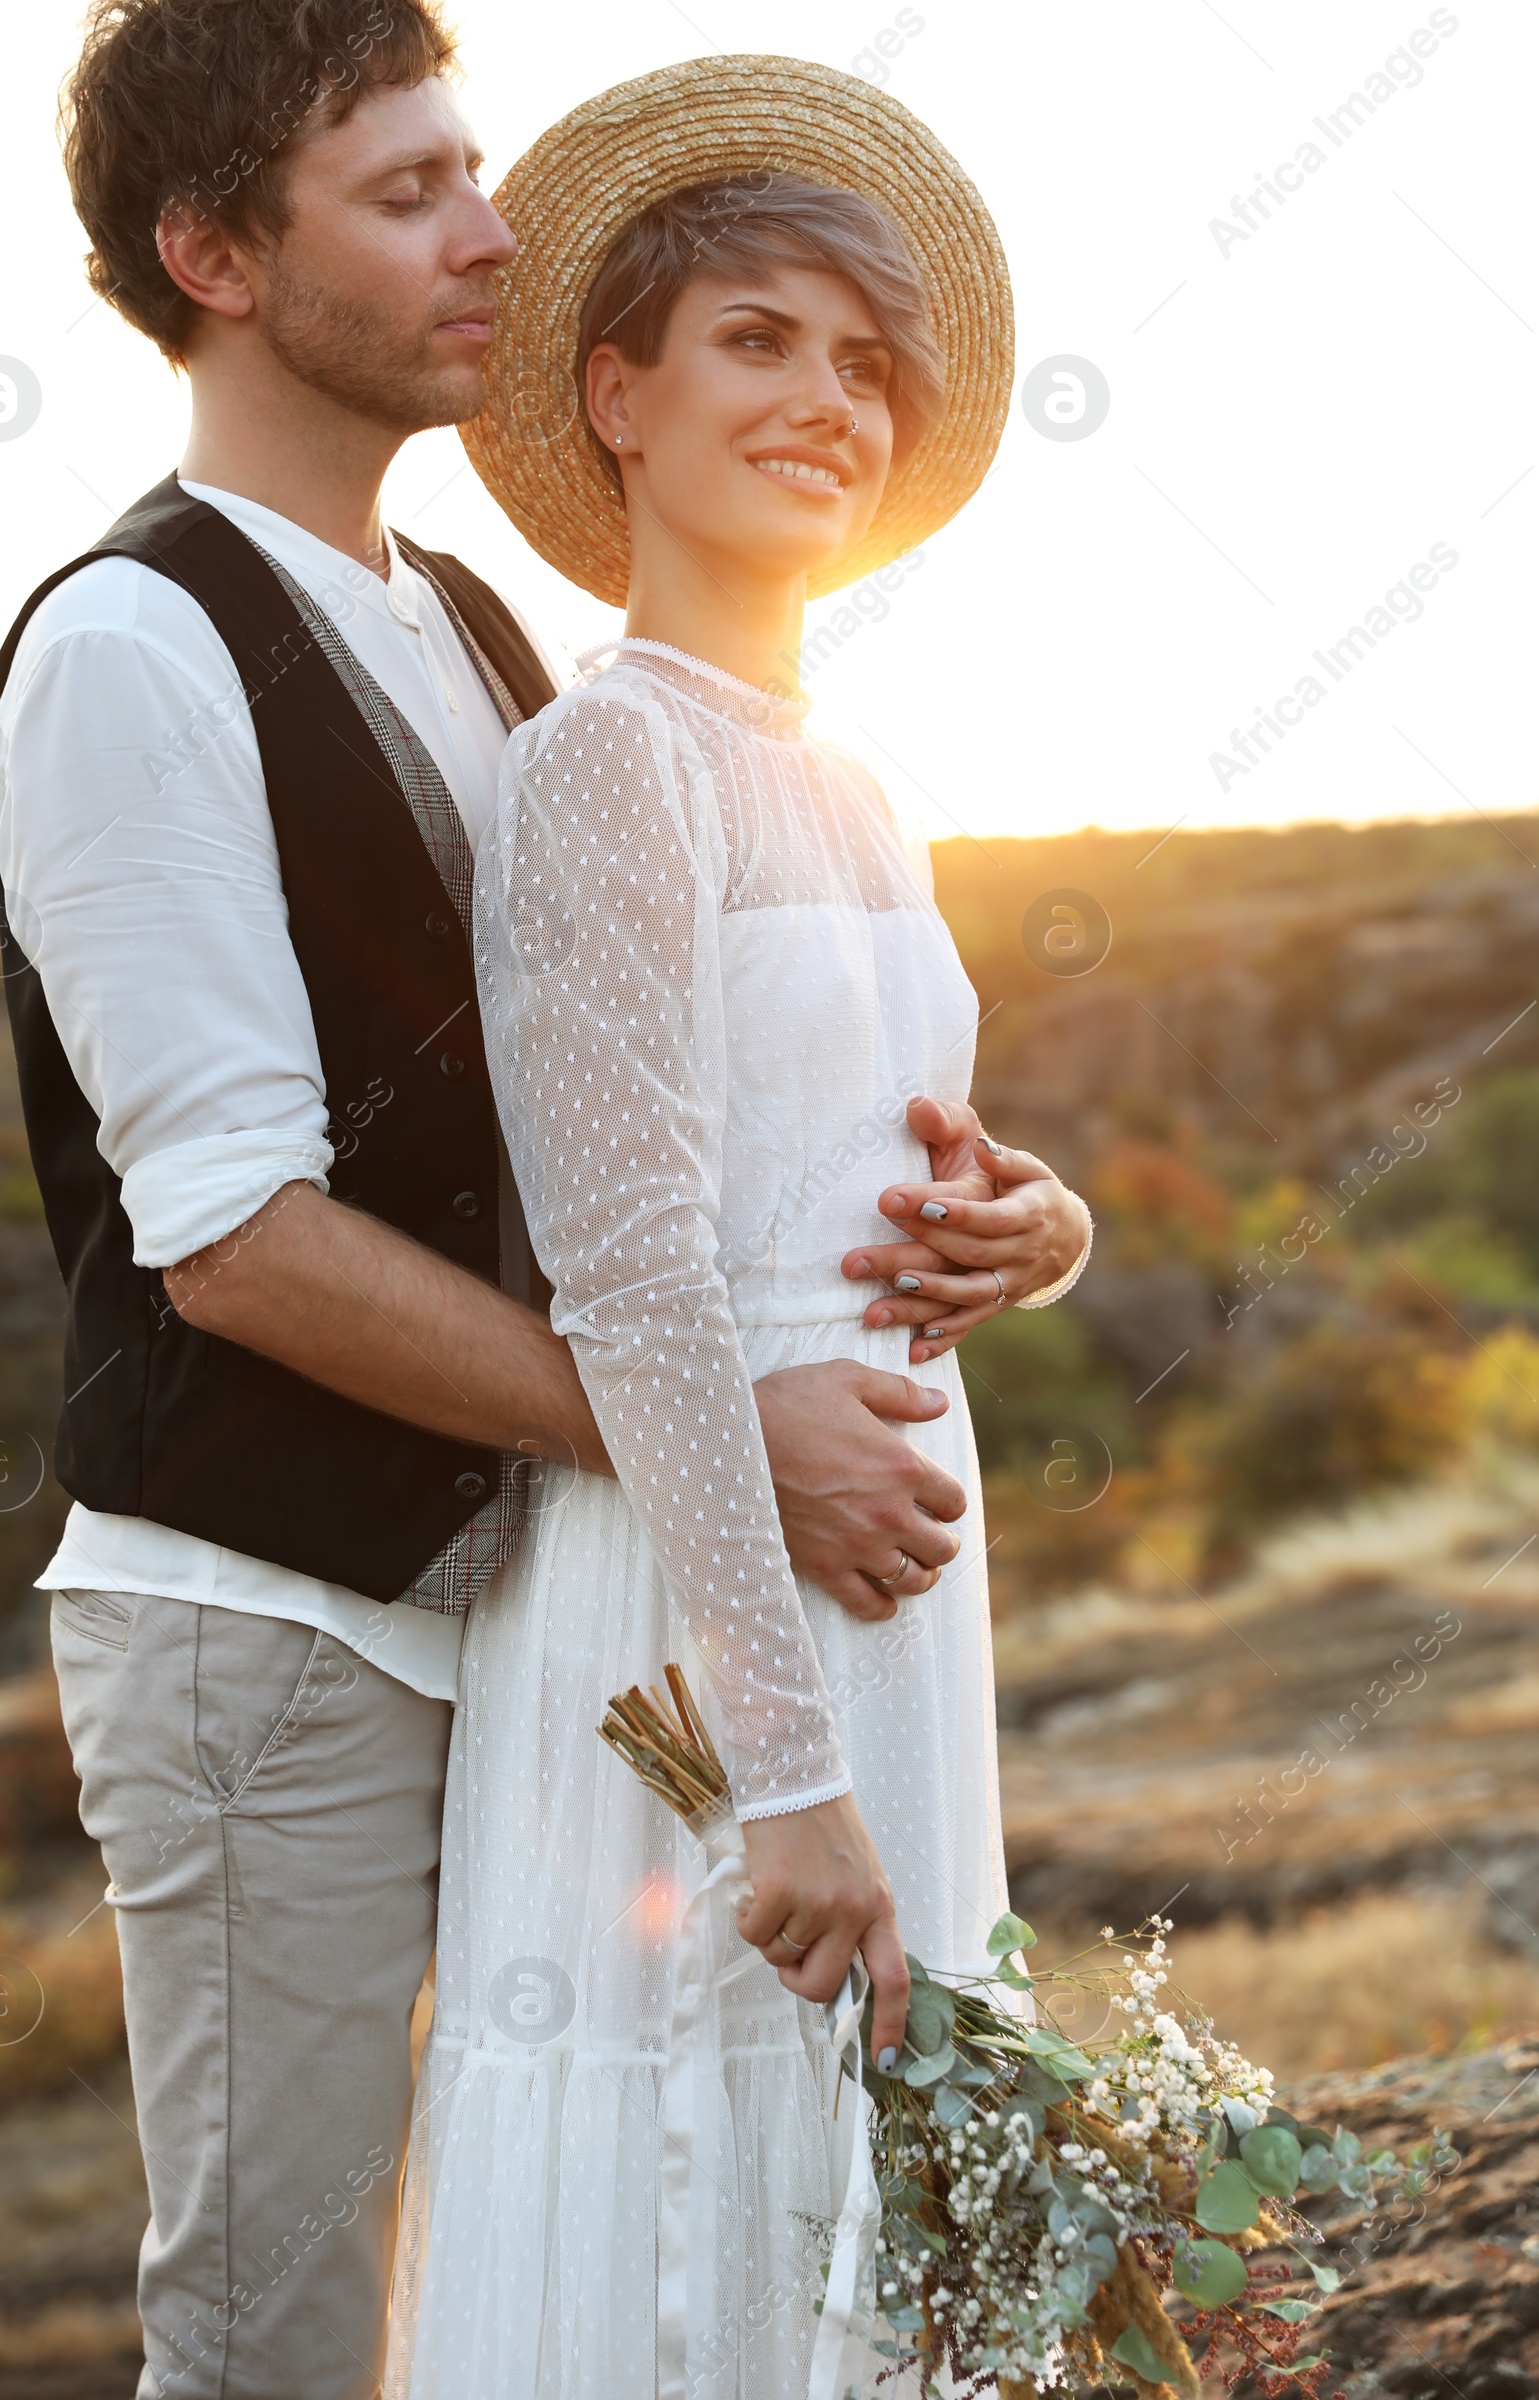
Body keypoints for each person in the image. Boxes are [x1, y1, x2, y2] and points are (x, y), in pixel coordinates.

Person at [0, 11, 1087, 2398]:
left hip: (519, 1592)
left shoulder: (473, 634)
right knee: (278, 2314)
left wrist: (1000, 1217)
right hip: (264, 1627)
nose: (485, 232)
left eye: (468, 170)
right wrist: (721, 1428)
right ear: (209, 257)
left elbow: (646, 1102)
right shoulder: (125, 646)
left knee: (532, 2232)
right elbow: (234, 1240)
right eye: (402, 194)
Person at [383, 57, 1091, 2400]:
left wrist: (1039, 1228)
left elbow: (885, 1163)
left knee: (862, 2165)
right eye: (758, 341)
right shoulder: (614, 758)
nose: (828, 399)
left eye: (861, 362)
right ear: (615, 392)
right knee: (691, 2164)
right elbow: (642, 1275)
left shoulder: (864, 776)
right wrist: (778, 1776)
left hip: (893, 1595)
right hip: (702, 1603)